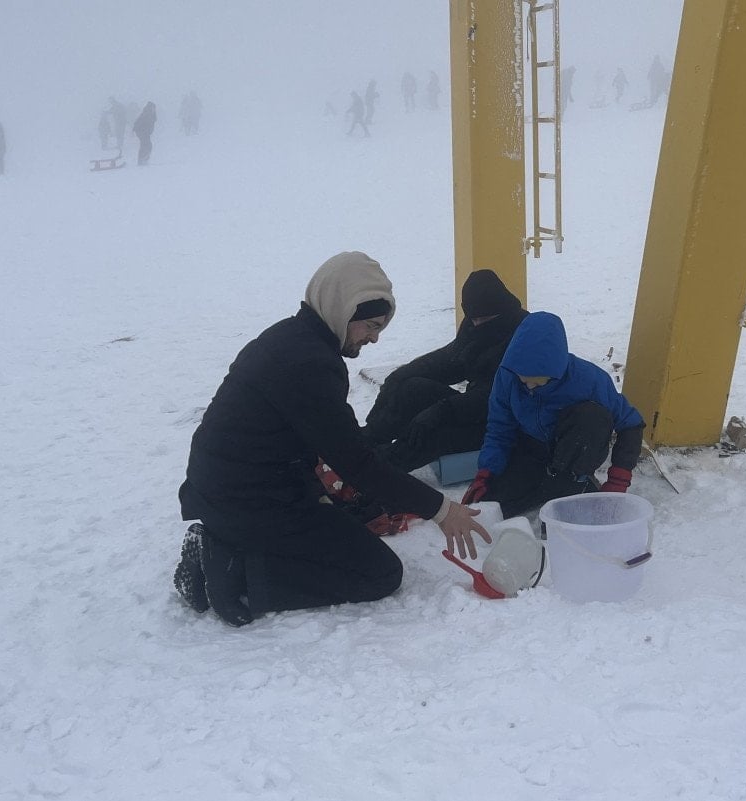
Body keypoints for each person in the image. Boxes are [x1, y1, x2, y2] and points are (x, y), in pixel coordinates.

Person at [173, 252, 490, 626]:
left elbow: (295, 438)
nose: (374, 338)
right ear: (344, 309)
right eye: (371, 325)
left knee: (344, 527)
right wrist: (440, 510)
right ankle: (232, 569)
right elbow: (357, 462)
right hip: (247, 499)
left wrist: (317, 493)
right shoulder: (310, 364)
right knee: (379, 573)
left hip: (234, 487)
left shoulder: (291, 338)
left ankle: (232, 544)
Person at [461, 311, 645, 519]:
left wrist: (618, 480)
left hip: (572, 448)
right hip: (531, 450)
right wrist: (486, 473)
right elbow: (499, 428)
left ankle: (575, 482)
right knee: (493, 503)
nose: (530, 386)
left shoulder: (590, 379)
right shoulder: (507, 376)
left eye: (538, 380)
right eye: (524, 379)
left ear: (556, 370)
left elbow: (631, 424)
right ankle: (550, 487)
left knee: (592, 417)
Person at [364, 269, 527, 472]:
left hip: (503, 425)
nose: (476, 324)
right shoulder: (478, 321)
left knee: (433, 432)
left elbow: (495, 396)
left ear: (500, 309)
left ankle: (374, 470)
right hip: (473, 410)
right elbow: (451, 360)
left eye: (482, 319)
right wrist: (401, 375)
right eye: (472, 318)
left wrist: (441, 411)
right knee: (412, 388)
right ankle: (363, 444)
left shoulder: (522, 336)